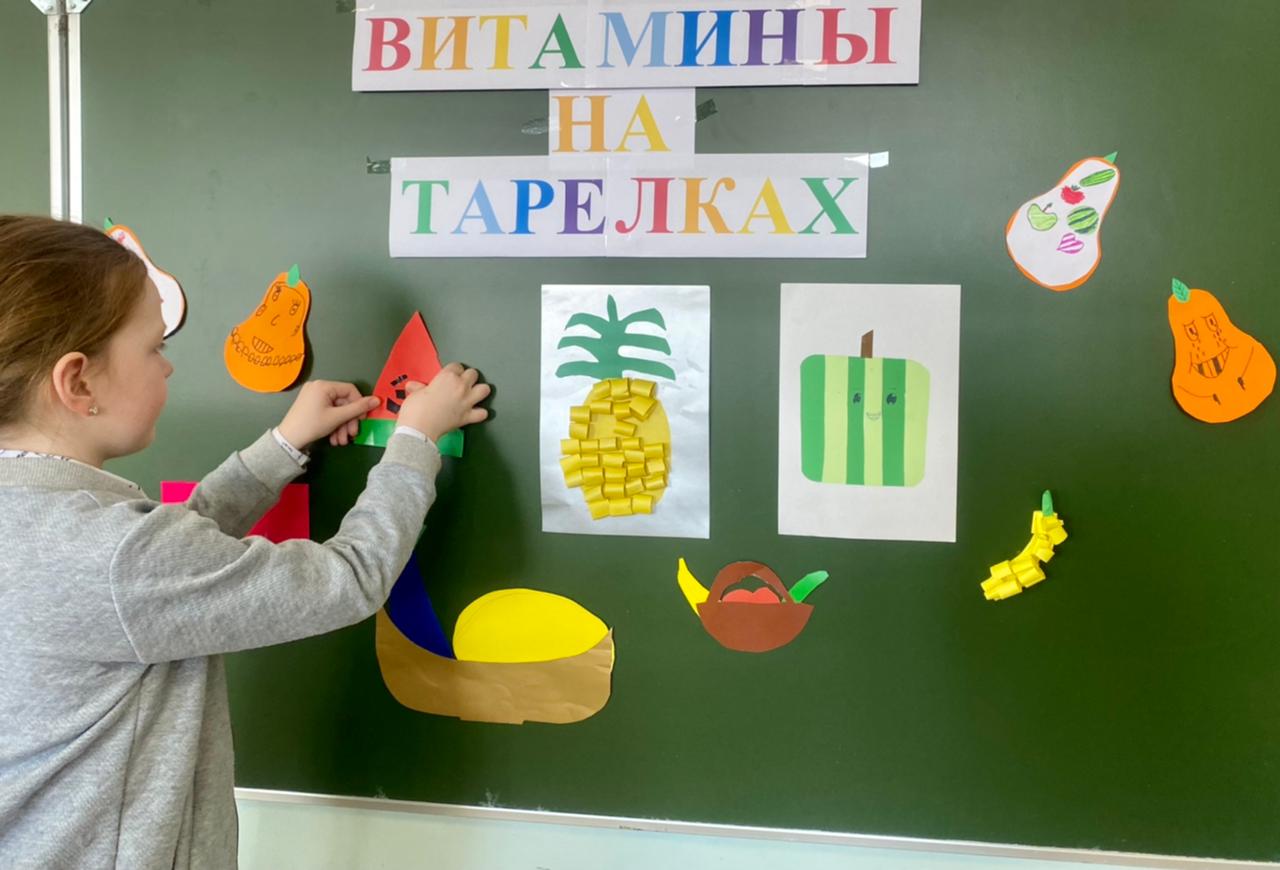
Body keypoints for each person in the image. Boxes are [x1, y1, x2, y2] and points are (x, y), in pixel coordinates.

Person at [0, 215, 490, 869]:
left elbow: (166, 561)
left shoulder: (56, 526)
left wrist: (282, 447)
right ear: (79, 382)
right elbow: (349, 578)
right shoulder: (116, 557)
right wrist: (417, 439)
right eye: (152, 347)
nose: (168, 365)